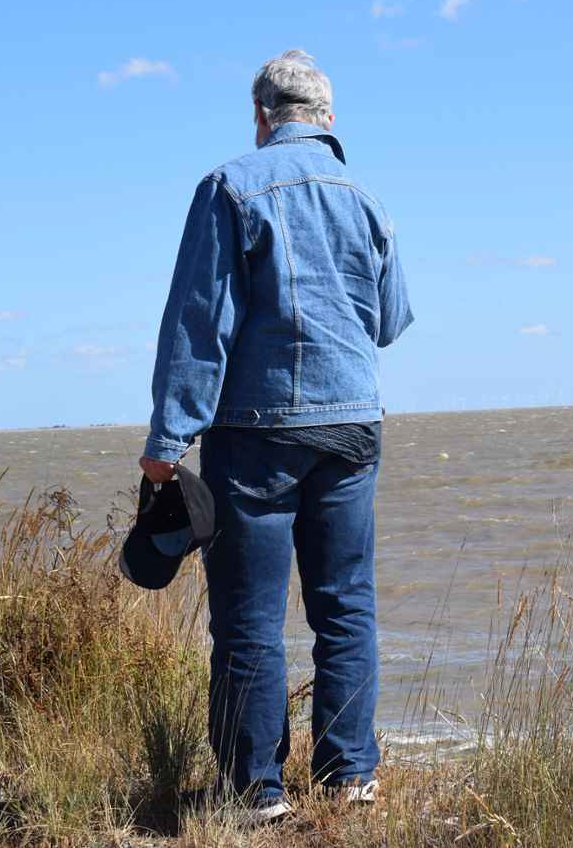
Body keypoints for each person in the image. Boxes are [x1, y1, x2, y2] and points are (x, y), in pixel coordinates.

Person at [137, 49, 413, 824]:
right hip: (354, 424)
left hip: (256, 433)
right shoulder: (368, 198)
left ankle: (258, 792)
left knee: (251, 618)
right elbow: (388, 322)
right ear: (328, 120)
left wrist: (168, 443)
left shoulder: (230, 185)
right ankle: (351, 776)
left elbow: (200, 325)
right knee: (346, 606)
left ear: (260, 116)